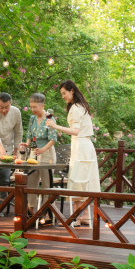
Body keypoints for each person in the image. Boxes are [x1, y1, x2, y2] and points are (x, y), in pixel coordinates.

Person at [45, 80, 100, 227]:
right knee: (84, 181)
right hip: (86, 146)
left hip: (81, 146)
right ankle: (84, 217)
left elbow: (75, 131)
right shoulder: (81, 106)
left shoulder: (75, 108)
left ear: (72, 91)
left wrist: (55, 126)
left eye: (64, 93)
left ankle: (78, 217)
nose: (63, 96)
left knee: (78, 181)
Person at [24, 92, 58, 222]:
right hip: (34, 153)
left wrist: (42, 149)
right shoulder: (32, 119)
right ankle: (31, 209)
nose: (32, 109)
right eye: (31, 107)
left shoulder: (49, 119)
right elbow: (29, 134)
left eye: (35, 107)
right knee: (31, 182)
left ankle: (46, 212)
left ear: (42, 105)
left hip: (47, 153)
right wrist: (26, 144)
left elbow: (53, 139)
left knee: (46, 184)